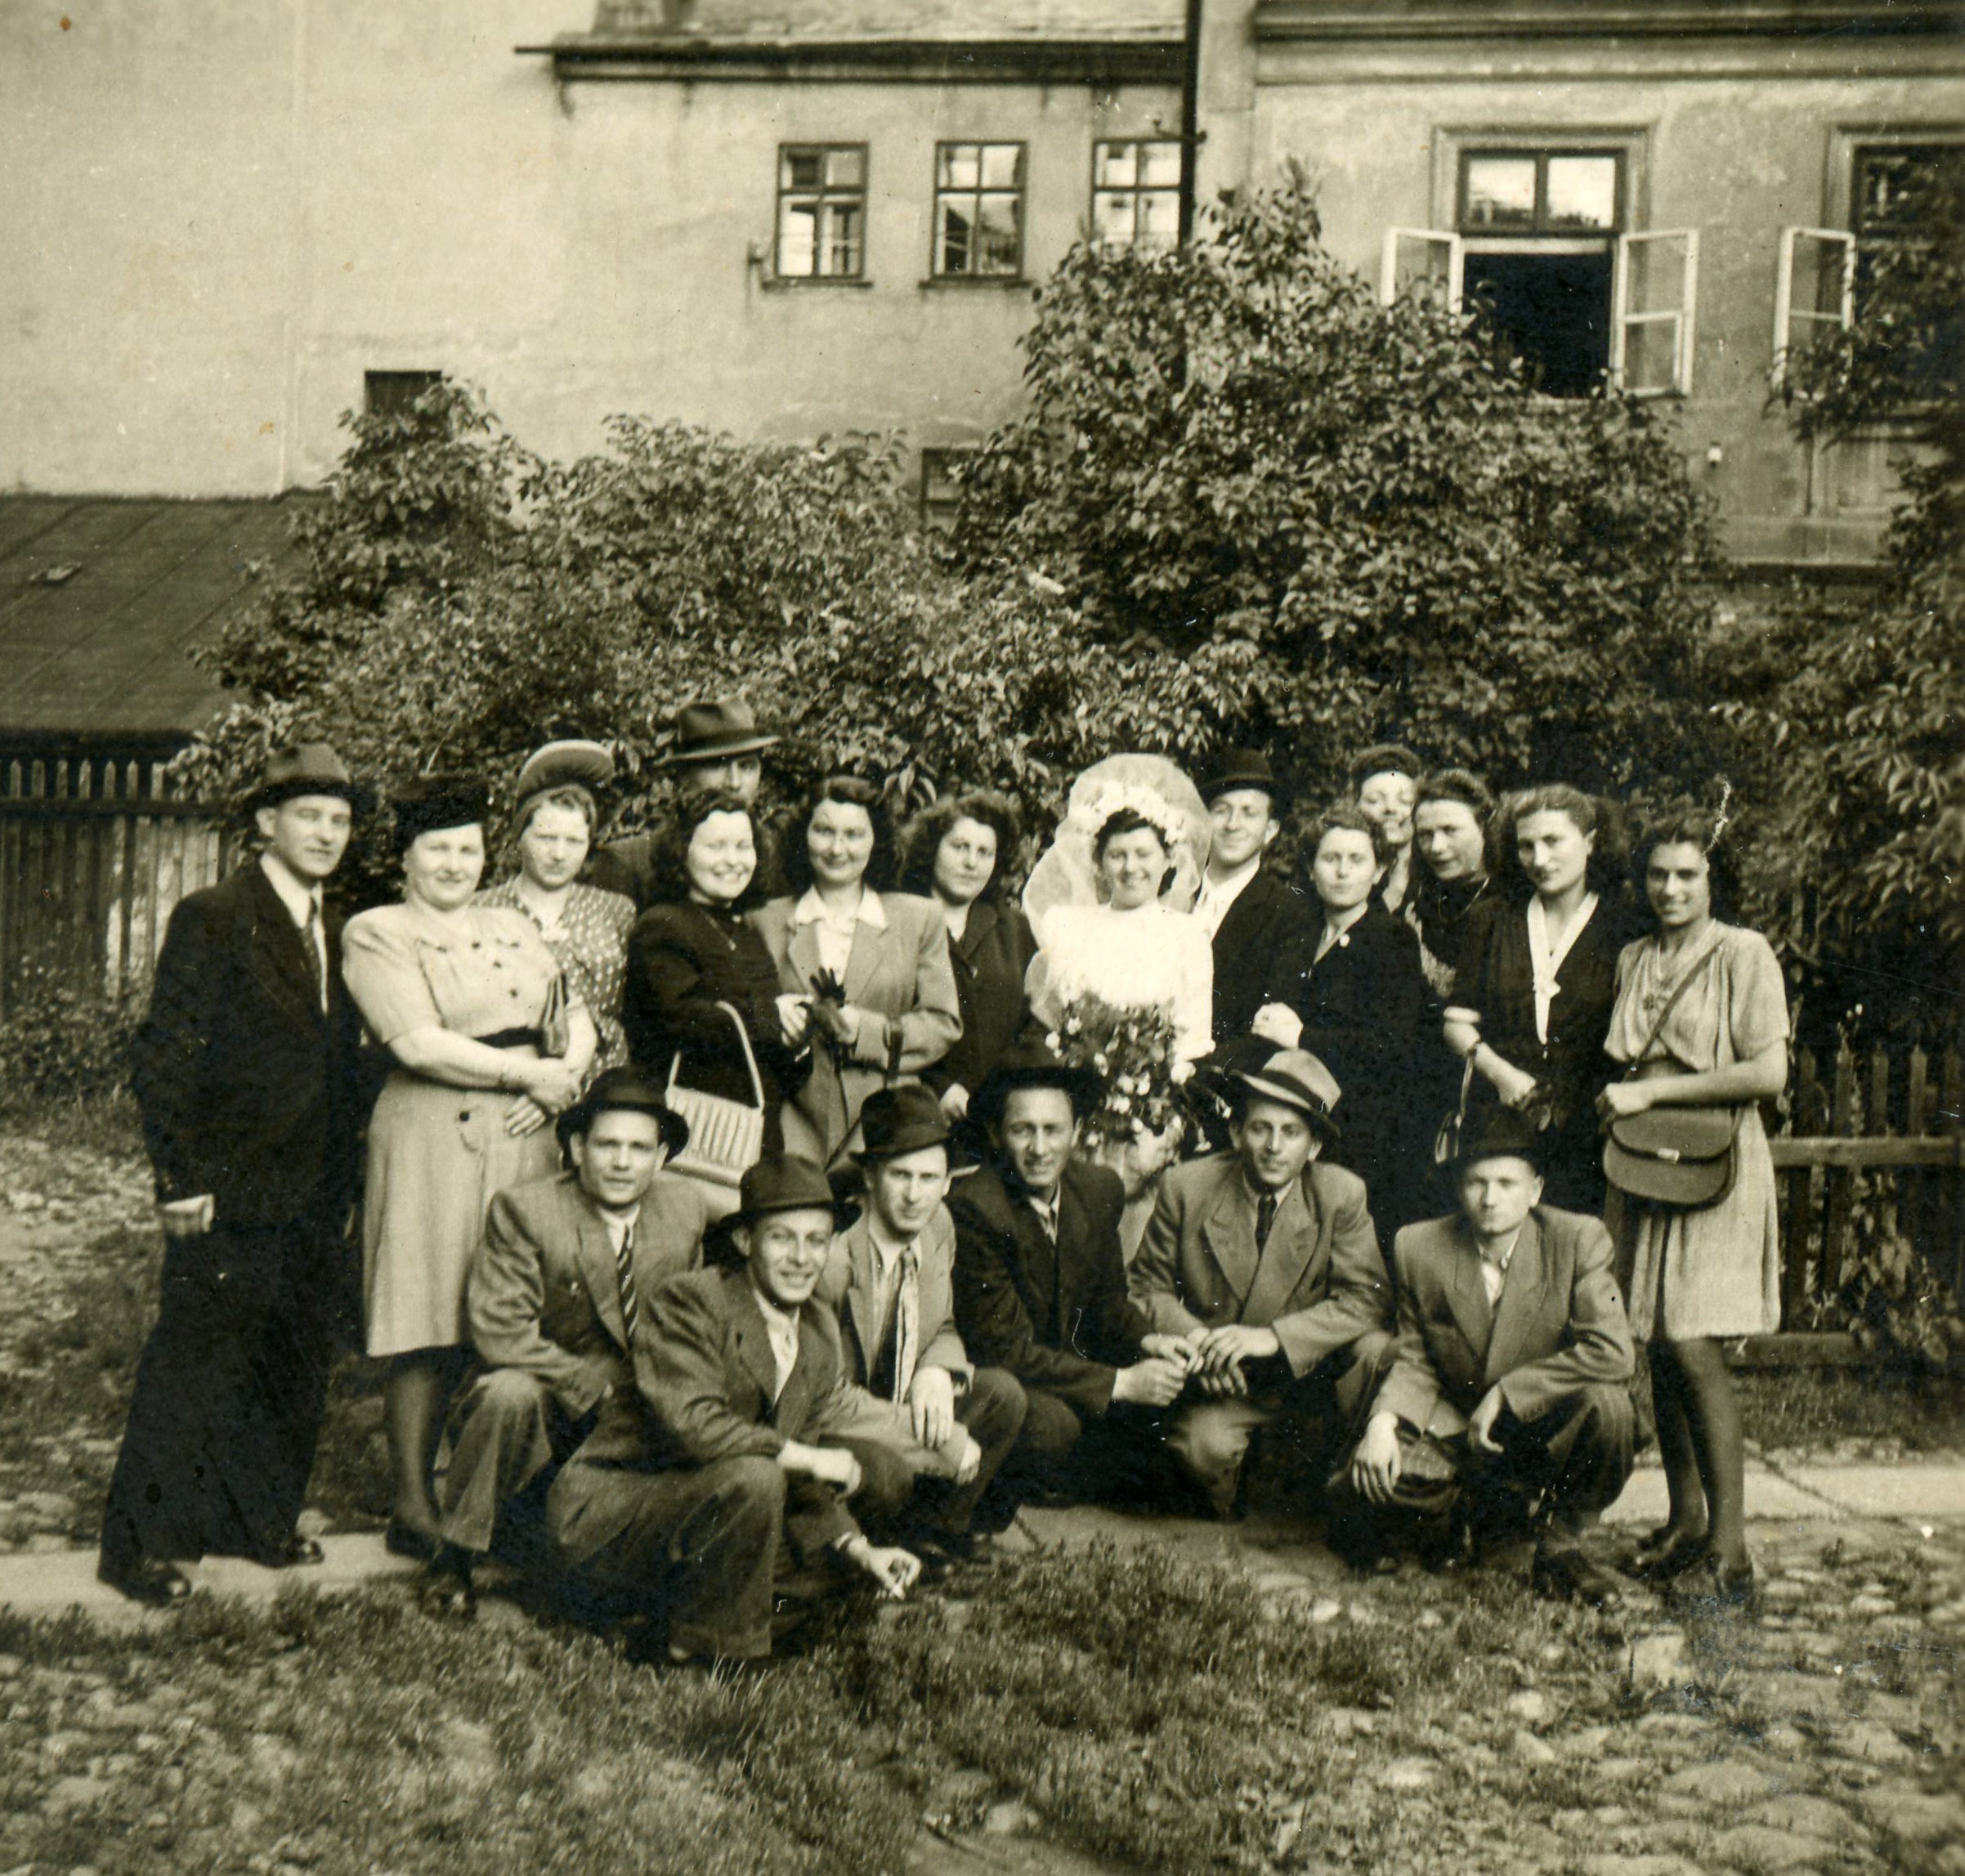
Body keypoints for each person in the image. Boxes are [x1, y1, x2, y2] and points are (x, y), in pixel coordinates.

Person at [103, 744, 373, 1605]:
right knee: (196, 1359)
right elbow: (166, 1053)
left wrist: (348, 1181)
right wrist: (179, 1179)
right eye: (309, 817)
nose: (326, 834)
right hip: (229, 1183)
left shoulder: (335, 926)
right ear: (266, 822)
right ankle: (144, 1547)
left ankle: (256, 1521)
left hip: (314, 1187)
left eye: (339, 820)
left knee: (292, 1359)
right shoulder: (215, 915)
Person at [342, 774, 598, 1560]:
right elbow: (417, 1042)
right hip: (433, 1134)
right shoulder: (377, 931)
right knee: (426, 1314)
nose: (454, 864)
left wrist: (563, 1083)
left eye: (466, 850)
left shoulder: (511, 923)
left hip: (525, 1134)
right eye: (437, 849)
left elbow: (573, 1016)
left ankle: (496, 1496)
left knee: (513, 1309)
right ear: (406, 857)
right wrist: (528, 1076)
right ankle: (414, 1505)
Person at [548, 1156, 923, 1666]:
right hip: (612, 1520)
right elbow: (697, 1426)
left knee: (831, 1543)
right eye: (781, 1239)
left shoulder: (815, 1337)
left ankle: (669, 1619)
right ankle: (709, 1651)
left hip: (710, 1516)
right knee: (756, 1478)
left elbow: (803, 1482)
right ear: (746, 1242)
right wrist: (811, 1458)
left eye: (816, 1241)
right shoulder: (692, 1301)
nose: (801, 1258)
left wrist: (857, 1548)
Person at [419, 1068, 706, 1618]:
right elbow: (501, 1329)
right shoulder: (526, 1211)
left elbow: (689, 1318)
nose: (622, 1162)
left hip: (638, 1401)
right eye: (607, 1145)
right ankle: (454, 1554)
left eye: (639, 1148)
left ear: (662, 1156)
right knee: (507, 1393)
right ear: (576, 1148)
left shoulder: (684, 1209)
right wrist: (589, 1385)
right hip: (553, 1391)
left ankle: (610, 1555)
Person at [1598, 808, 1788, 1608]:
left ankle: (1731, 1550)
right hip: (1646, 1164)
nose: (1670, 888)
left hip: (1717, 1164)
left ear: (1715, 880)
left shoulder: (1743, 953)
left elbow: (1767, 1073)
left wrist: (1655, 1093)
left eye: (1688, 875)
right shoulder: (1635, 957)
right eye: (1658, 874)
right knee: (1655, 1340)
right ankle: (1685, 1522)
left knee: (1692, 1339)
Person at [1335, 1113, 1635, 1606]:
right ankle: (1472, 1511)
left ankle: (1561, 1546)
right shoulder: (1419, 1246)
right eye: (1477, 1182)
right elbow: (1415, 1354)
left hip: (1540, 1423)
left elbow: (1613, 1351)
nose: (1490, 1199)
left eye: (1506, 1184)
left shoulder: (1578, 1240)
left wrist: (1509, 1394)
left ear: (1536, 1191)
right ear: (1459, 1187)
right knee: (1377, 1478)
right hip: (1458, 1424)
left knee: (1611, 1410)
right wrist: (1383, 1424)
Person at [1128, 1049, 1394, 1518]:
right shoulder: (1187, 1187)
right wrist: (1199, 1342)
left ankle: (1338, 1485)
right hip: (1226, 1379)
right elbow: (1146, 1286)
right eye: (1260, 1129)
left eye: (1291, 1132)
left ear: (1314, 1147)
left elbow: (1366, 1300)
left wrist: (1273, 1337)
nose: (1274, 1146)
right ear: (1236, 1134)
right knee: (1202, 1453)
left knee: (1376, 1350)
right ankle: (1248, 1484)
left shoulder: (1340, 1194)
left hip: (1311, 1375)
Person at [948, 1046, 1195, 1512]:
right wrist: (1121, 1383)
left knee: (1174, 1394)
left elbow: (1110, 1304)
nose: (1039, 1149)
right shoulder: (975, 1207)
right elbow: (1006, 1351)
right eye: (1023, 1130)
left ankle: (1087, 1470)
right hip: (1010, 1379)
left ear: (1077, 1132)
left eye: (1053, 1130)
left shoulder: (1097, 1189)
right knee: (1054, 1430)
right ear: (996, 1134)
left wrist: (1149, 1341)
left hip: (1068, 1367)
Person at [814, 1085, 1027, 1556]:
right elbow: (823, 1398)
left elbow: (942, 1324)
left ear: (948, 1182)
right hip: (837, 1421)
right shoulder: (834, 1258)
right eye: (900, 1175)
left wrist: (936, 1370)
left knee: (1002, 1396)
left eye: (929, 1177)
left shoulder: (938, 1226)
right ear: (870, 1178)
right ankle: (857, 1545)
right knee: (889, 1469)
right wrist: (938, 1441)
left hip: (894, 1402)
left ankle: (929, 1537)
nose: (915, 1195)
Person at [751, 775, 960, 1167]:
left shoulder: (919, 919)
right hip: (792, 1128)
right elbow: (745, 1011)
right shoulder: (764, 921)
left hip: (887, 1126)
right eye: (824, 831)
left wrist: (865, 1032)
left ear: (875, 840)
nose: (837, 848)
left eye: (854, 834)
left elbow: (943, 1022)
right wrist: (773, 1014)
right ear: (803, 835)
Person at [1444, 786, 1628, 1213]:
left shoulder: (1622, 925)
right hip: (1500, 1121)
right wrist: (1503, 1076)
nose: (1539, 859)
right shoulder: (1492, 919)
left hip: (1589, 1129)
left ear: (1590, 841)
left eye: (1552, 841)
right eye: (1526, 845)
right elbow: (1456, 1024)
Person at [1264, 804, 1428, 1229]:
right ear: (1311, 868)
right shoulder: (1300, 934)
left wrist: (1302, 1037)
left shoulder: (1392, 940)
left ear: (1379, 871)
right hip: (1290, 1118)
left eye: (1357, 860)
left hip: (1358, 1128)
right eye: (1330, 858)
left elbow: (1392, 1047)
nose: (1342, 871)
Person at [623, 790, 808, 1161]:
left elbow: (773, 1059)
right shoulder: (663, 924)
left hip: (754, 1136)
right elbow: (678, 1017)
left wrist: (798, 1037)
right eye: (716, 847)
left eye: (743, 846)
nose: (732, 860)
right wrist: (772, 1016)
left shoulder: (748, 933)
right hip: (692, 1132)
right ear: (682, 851)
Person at [1026, 784, 1213, 1073]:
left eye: (1143, 854)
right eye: (1117, 855)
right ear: (1099, 861)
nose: (1130, 867)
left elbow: (1194, 1038)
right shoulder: (1068, 926)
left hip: (1156, 1085)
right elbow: (1048, 1023)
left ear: (1168, 858)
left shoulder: (1188, 936)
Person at [478, 740, 635, 1079]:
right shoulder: (482, 909)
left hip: (606, 1082)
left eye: (574, 841)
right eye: (546, 838)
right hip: (515, 1079)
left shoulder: (616, 911)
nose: (560, 854)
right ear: (520, 836)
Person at [897, 790, 1036, 1123]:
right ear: (932, 848)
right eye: (960, 847)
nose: (972, 863)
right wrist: (939, 1086)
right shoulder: (901, 920)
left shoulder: (1015, 929)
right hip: (917, 1112)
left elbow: (1033, 1023)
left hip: (999, 1118)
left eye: (984, 852)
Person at [585, 697, 783, 910]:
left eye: (747, 767)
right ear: (684, 776)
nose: (734, 783)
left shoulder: (773, 855)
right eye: (717, 766)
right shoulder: (628, 861)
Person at [1190, 750, 1315, 1048]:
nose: (1233, 824)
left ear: (1270, 830)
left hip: (1224, 1071)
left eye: (1249, 813)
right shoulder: (1169, 898)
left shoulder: (1290, 913)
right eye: (1221, 810)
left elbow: (1268, 1031)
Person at [1409, 768, 1497, 1003]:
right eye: (1425, 834)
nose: (1436, 847)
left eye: (1450, 830)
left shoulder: (1510, 904)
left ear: (1483, 827)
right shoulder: (1419, 903)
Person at [1350, 745, 1424, 919]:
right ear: (1355, 805)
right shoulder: (1342, 871)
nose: (1390, 808)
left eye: (1404, 801)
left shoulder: (1434, 874)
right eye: (1374, 800)